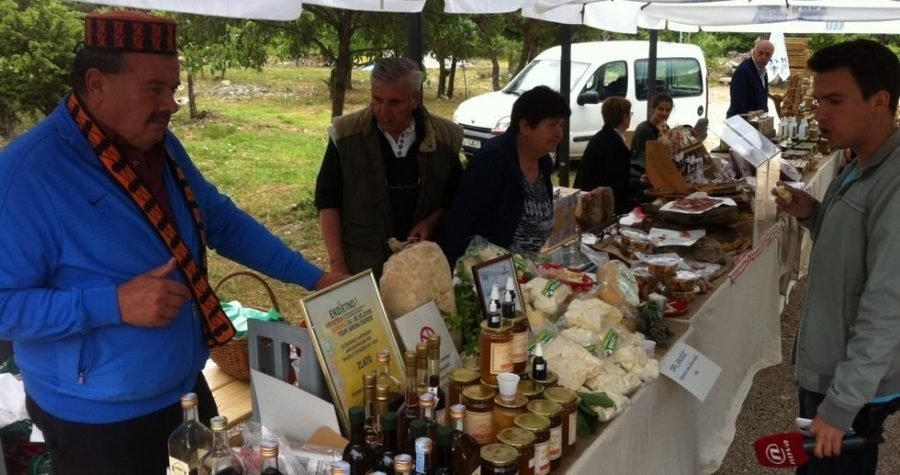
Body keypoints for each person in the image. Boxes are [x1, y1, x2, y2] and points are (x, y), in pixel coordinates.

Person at [0, 11, 344, 474]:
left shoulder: (159, 145)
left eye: (174, 89)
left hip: (182, 390)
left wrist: (316, 277)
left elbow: (221, 222)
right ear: (97, 84)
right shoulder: (28, 175)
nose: (172, 105)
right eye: (155, 89)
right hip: (98, 417)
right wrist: (112, 304)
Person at [772, 39, 900, 475]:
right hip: (835, 372)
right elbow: (854, 248)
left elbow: (888, 305)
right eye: (817, 100)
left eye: (835, 100)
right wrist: (813, 213)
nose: (819, 113)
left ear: (879, 101)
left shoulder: (895, 183)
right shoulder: (862, 161)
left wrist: (842, 405)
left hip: (852, 387)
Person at [314, 58, 463, 278]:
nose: (383, 111)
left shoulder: (445, 138)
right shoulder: (345, 135)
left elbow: (454, 197)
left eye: (394, 102)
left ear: (415, 99)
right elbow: (328, 202)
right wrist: (338, 264)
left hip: (421, 271)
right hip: (363, 265)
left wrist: (431, 222)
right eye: (377, 100)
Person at [444, 86, 570, 266]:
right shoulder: (492, 162)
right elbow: (459, 225)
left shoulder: (543, 161)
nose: (559, 133)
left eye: (561, 125)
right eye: (551, 125)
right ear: (525, 126)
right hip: (491, 278)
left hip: (527, 273)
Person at [573, 97, 634, 215]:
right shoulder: (615, 144)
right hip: (598, 209)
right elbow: (618, 185)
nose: (630, 117)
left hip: (588, 199)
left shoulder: (602, 136)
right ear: (624, 117)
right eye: (629, 114)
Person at [629, 93, 673, 201]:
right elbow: (646, 159)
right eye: (660, 109)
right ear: (653, 109)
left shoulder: (664, 128)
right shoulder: (644, 129)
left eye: (668, 110)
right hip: (643, 179)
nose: (664, 113)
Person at [726, 38, 775, 118]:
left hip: (756, 122)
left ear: (771, 56)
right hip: (741, 123)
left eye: (767, 54)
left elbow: (762, 101)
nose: (763, 57)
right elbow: (738, 104)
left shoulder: (763, 72)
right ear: (754, 52)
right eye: (761, 53)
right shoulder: (743, 71)